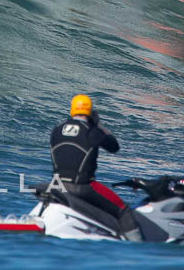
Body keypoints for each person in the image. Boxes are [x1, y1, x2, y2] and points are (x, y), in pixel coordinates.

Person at [50, 94, 140, 239]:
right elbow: (114, 147)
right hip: (83, 187)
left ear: (72, 110)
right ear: (91, 112)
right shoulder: (92, 132)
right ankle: (138, 248)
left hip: (56, 185)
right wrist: (99, 125)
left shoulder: (56, 130)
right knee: (124, 211)